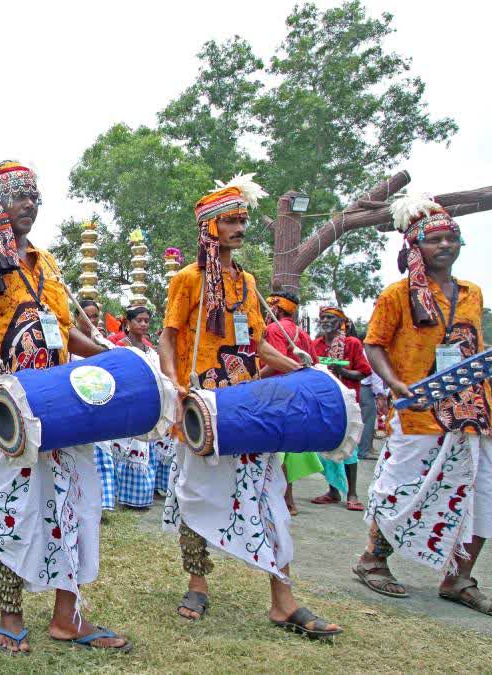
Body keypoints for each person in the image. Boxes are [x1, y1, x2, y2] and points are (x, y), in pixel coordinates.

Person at [0, 161, 130, 654]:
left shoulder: (46, 263)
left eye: (34, 197)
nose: (30, 204)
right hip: (4, 416)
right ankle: (9, 615)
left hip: (65, 409)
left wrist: (110, 355)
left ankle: (69, 618)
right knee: (12, 514)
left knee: (76, 510)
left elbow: (64, 332)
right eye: (19, 196)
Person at [159, 175, 341, 639]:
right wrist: (175, 389)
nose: (240, 227)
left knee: (268, 493)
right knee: (194, 494)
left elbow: (257, 344)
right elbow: (170, 337)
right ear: (209, 229)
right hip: (202, 407)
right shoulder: (187, 280)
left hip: (251, 408)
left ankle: (283, 598)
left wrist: (297, 364)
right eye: (231, 220)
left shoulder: (248, 282)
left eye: (243, 219)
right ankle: (197, 584)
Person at [354, 195, 492, 619]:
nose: (445, 245)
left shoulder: (472, 293)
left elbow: (472, 346)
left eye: (452, 238)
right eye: (435, 239)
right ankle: (372, 559)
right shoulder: (397, 295)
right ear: (415, 247)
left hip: (474, 413)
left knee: (491, 494)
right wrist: (395, 383)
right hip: (419, 411)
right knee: (401, 490)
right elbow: (374, 344)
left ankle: (458, 578)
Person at [260, 291, 322, 516]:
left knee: (277, 451)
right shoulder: (302, 334)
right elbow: (313, 363)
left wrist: (253, 377)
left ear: (276, 309)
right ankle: (287, 500)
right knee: (286, 450)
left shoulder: (275, 329)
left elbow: (273, 361)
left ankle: (285, 501)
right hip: (298, 395)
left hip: (278, 394)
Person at [310, 307, 372, 511]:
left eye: (330, 318)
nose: (325, 320)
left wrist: (342, 371)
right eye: (323, 318)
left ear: (341, 322)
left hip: (346, 402)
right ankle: (333, 491)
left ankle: (352, 493)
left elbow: (363, 372)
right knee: (325, 447)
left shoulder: (352, 343)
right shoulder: (316, 344)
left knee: (349, 447)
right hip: (322, 401)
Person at [112, 305, 157, 509]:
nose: (143, 324)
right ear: (128, 323)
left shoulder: (150, 349)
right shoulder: (120, 347)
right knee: (125, 446)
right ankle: (119, 494)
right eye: (139, 320)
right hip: (126, 403)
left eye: (146, 320)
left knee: (145, 445)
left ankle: (142, 496)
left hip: (146, 403)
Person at [78, 298, 117, 513]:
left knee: (101, 457)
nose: (92, 320)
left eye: (95, 316)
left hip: (99, 403)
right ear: (77, 318)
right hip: (80, 408)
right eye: (88, 316)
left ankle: (101, 502)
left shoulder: (103, 343)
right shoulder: (69, 344)